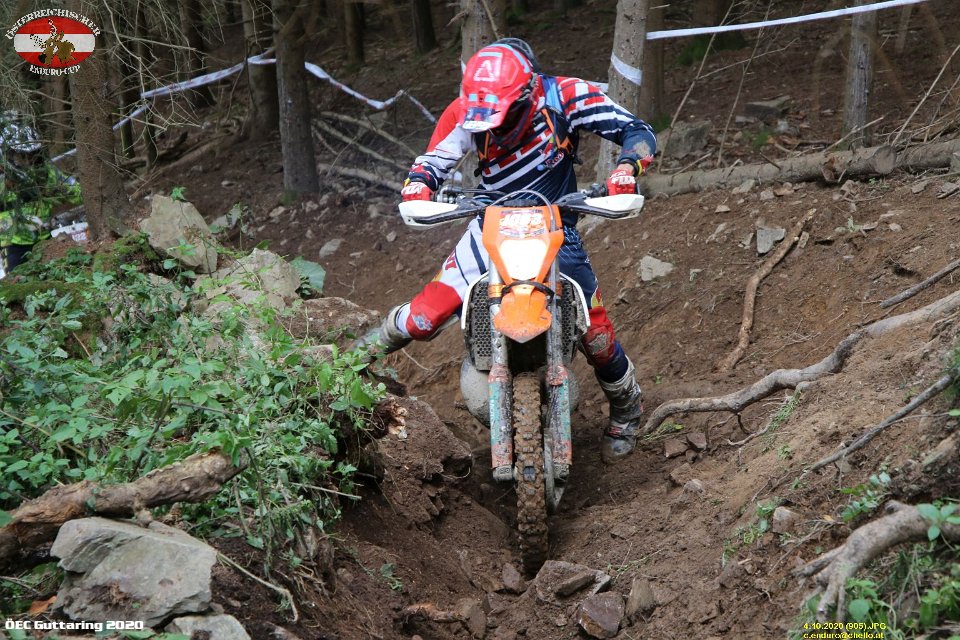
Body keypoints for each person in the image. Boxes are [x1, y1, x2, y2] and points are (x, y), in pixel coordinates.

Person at [366, 39, 657, 463]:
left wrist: (627, 167)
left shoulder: (565, 95)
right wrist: (419, 185)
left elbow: (638, 130)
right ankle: (352, 360)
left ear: (526, 95)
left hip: (555, 225)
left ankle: (627, 406)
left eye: (499, 117)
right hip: (489, 225)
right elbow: (433, 160)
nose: (491, 127)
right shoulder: (467, 109)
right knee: (422, 318)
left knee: (594, 332)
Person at [0, 112, 82, 277]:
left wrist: (57, 190)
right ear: (9, 155)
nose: (29, 161)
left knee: (56, 278)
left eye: (33, 155)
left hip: (44, 239)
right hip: (11, 244)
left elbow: (78, 194)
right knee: (16, 283)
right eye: (22, 156)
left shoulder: (47, 172)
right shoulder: (3, 178)